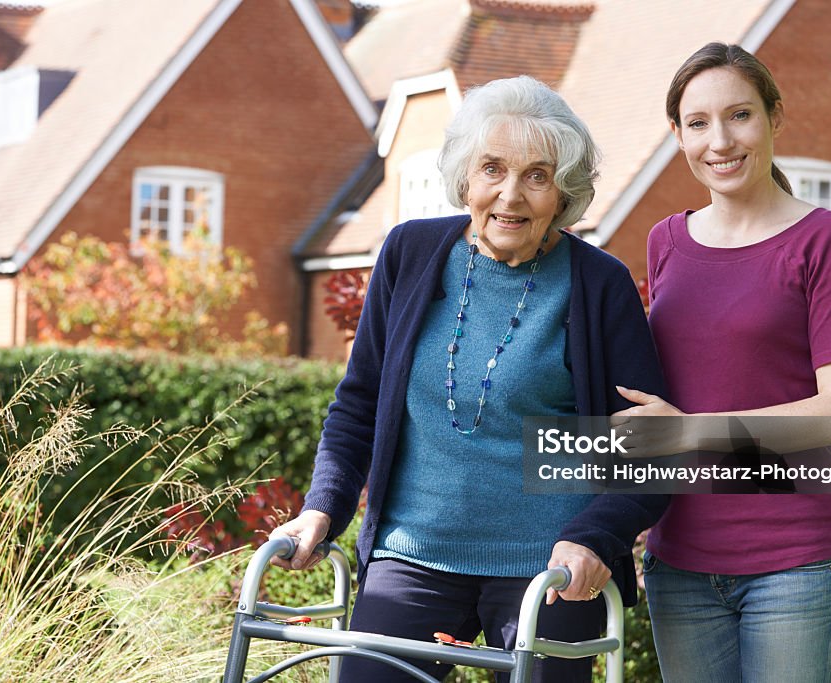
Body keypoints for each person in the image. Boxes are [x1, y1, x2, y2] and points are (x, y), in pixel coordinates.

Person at [270, 75, 668, 682]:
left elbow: (652, 450)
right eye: (492, 169)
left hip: (549, 568)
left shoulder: (599, 285)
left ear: (563, 191)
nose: (511, 195)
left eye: (537, 175)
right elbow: (358, 405)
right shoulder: (409, 253)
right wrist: (323, 508)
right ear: (464, 176)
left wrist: (594, 538)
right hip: (413, 553)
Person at [611, 43, 831, 682]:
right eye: (698, 123)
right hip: (681, 562)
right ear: (677, 135)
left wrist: (688, 431)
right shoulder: (665, 241)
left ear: (774, 118)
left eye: (740, 115)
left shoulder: (827, 239)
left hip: (795, 562)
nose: (720, 140)